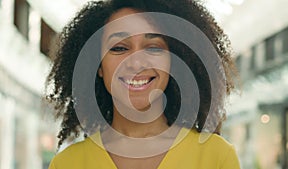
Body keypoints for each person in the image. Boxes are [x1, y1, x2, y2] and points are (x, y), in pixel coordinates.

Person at [46, 0, 240, 168]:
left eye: (154, 48)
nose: (136, 63)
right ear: (98, 65)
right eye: (119, 48)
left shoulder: (216, 157)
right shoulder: (66, 164)